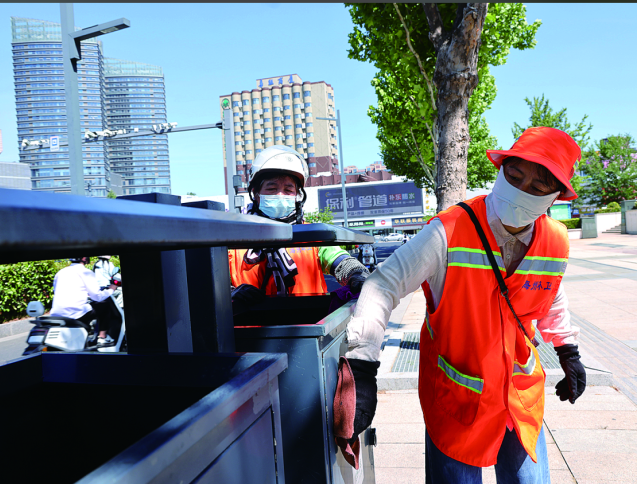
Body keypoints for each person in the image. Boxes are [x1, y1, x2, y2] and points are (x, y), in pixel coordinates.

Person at [343, 127, 587, 483]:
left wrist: (568, 349)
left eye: (538, 187)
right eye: (514, 176)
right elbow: (385, 283)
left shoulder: (555, 240)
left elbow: (549, 291)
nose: (521, 191)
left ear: (556, 197)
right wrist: (361, 367)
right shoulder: (449, 231)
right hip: (458, 398)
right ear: (500, 170)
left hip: (518, 399)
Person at [228, 145, 372, 309]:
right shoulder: (234, 241)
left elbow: (340, 261)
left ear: (298, 195)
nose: (280, 195)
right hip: (249, 333)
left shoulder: (312, 236)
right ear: (256, 193)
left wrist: (357, 275)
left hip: (309, 331)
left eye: (288, 189)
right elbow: (212, 284)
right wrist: (230, 293)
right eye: (272, 188)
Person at [50, 256, 119, 347]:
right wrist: (111, 289)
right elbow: (97, 296)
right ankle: (102, 338)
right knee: (104, 305)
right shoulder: (86, 272)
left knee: (88, 307)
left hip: (56, 314)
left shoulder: (60, 272)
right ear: (83, 258)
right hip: (74, 314)